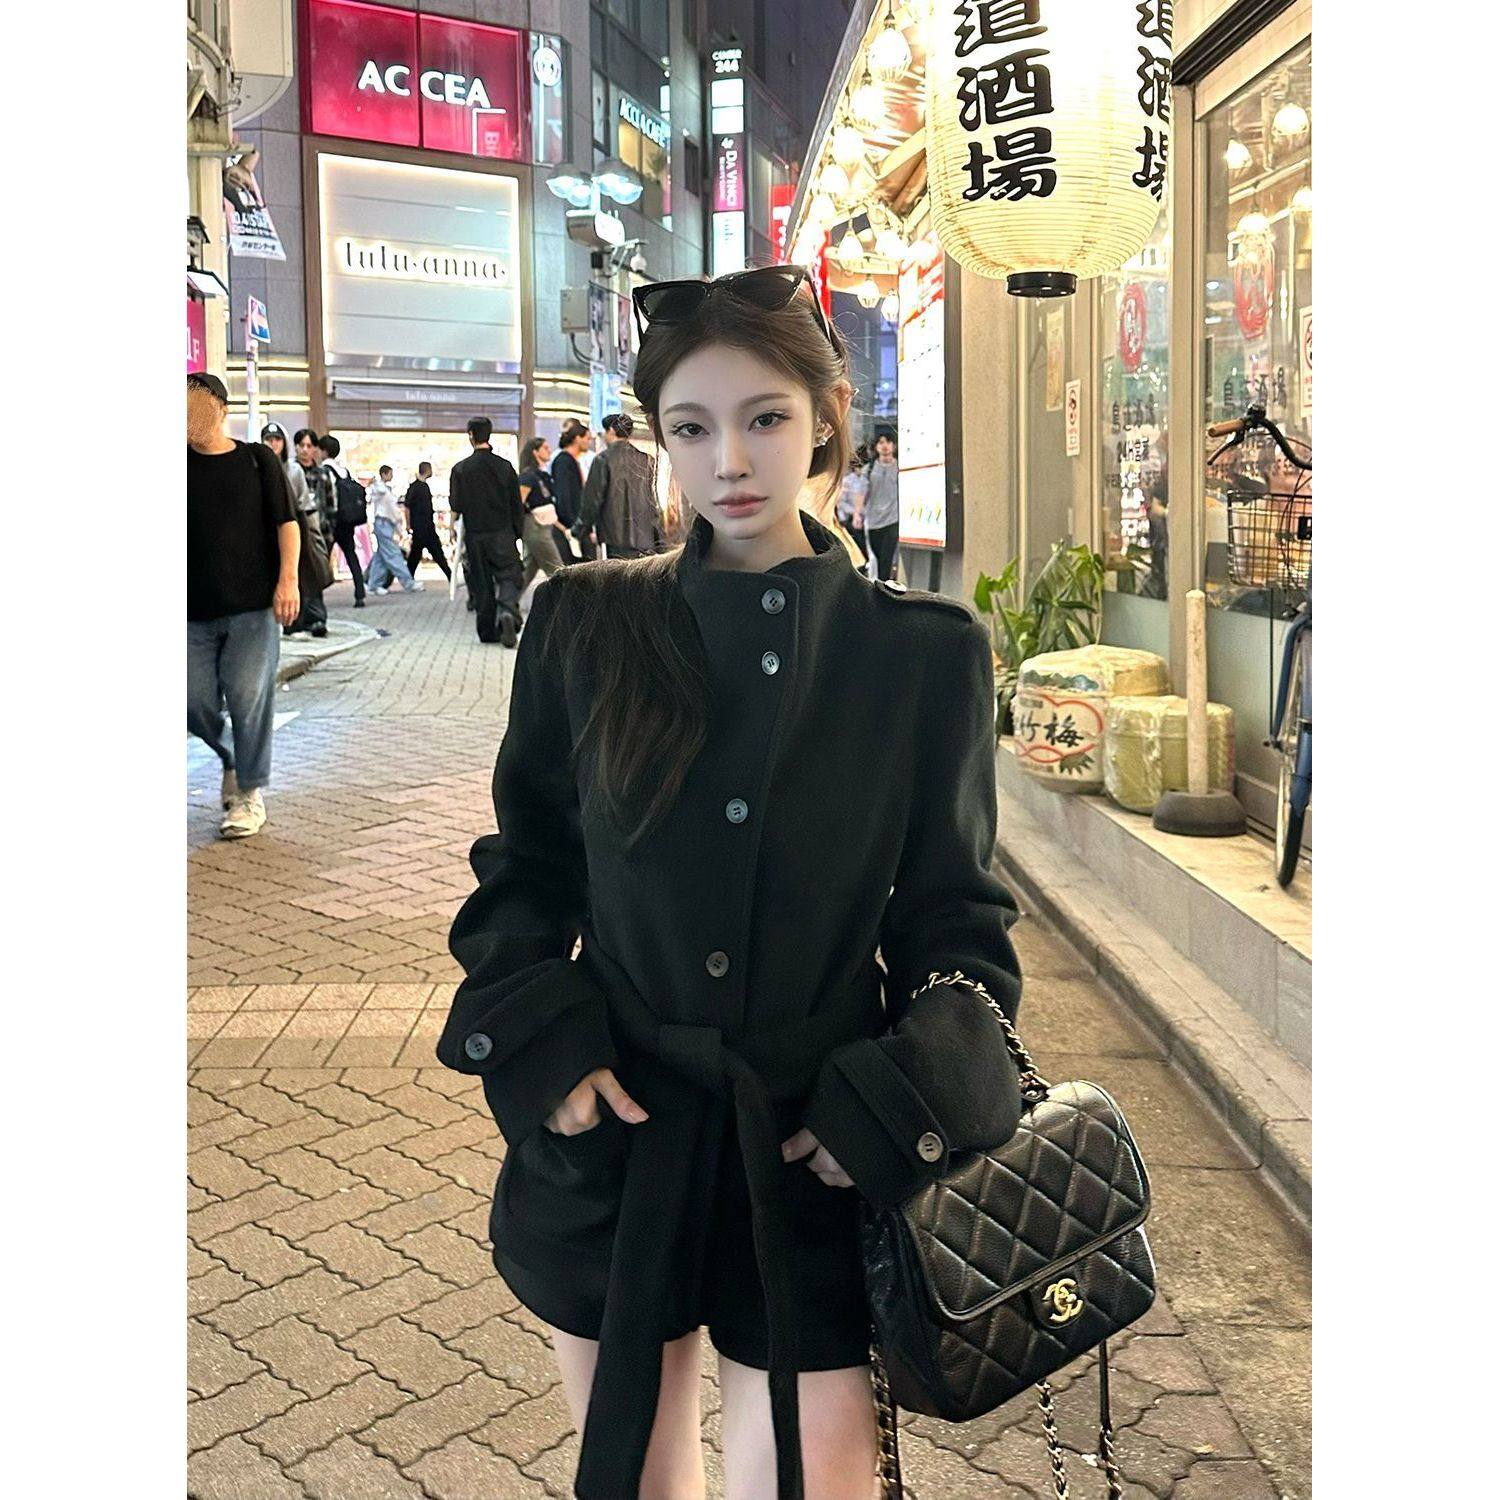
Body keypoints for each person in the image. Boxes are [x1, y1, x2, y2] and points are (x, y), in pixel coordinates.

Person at [437, 264, 1026, 1500]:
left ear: (825, 417)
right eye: (692, 429)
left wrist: (901, 1101)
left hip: (816, 1145)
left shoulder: (919, 654)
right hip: (620, 1136)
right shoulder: (585, 625)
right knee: (642, 1478)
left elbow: (956, 920)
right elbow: (527, 869)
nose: (732, 462)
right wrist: (546, 1052)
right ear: (660, 441)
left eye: (765, 418)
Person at [188, 372, 301, 839]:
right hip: (190, 610)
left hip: (254, 605)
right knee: (190, 700)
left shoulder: (256, 460)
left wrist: (288, 581)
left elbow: (286, 522)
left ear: (220, 409)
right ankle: (235, 759)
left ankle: (249, 794)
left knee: (247, 697)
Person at [449, 416, 526, 646]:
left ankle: (487, 631)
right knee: (510, 575)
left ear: (471, 435)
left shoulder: (460, 469)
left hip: (476, 535)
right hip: (502, 532)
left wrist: (453, 531)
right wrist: (517, 533)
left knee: (482, 582)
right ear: (489, 434)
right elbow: (516, 504)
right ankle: (507, 612)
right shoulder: (505, 467)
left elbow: (456, 505)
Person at [263, 423, 329, 638]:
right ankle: (286, 622)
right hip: (267, 533)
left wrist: (316, 536)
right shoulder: (257, 467)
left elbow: (307, 505)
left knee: (304, 575)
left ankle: (309, 619)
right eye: (269, 439)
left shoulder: (293, 470)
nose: (273, 444)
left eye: (277, 439)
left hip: (297, 529)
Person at [575, 412, 663, 559]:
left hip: (616, 539)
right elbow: (652, 502)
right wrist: (659, 536)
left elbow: (592, 500)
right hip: (646, 538)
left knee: (618, 573)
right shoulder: (647, 460)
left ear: (611, 430)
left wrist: (579, 530)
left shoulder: (603, 460)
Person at [316, 433, 368, 607]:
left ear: (324, 451)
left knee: (321, 559)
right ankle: (360, 594)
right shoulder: (344, 471)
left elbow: (322, 499)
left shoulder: (324, 470)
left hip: (331, 523)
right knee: (351, 556)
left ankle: (316, 597)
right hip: (346, 522)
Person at [517, 436, 567, 592]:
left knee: (528, 570)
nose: (549, 450)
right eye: (545, 448)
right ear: (535, 452)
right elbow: (519, 503)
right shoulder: (528, 476)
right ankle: (564, 601)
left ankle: (507, 601)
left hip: (544, 526)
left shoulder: (543, 476)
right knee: (557, 570)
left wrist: (563, 529)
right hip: (535, 527)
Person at [364, 464, 422, 595]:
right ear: (384, 474)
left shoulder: (382, 489)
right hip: (384, 523)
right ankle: (408, 582)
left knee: (381, 557)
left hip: (384, 524)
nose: (392, 476)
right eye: (390, 473)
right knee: (393, 554)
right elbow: (391, 509)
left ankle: (373, 584)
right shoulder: (381, 490)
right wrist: (399, 527)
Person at [855, 430, 901, 582]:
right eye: (881, 442)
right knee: (878, 556)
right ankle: (881, 585)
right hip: (874, 520)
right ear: (876, 447)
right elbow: (861, 492)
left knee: (887, 558)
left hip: (893, 519)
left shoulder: (900, 467)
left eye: (888, 442)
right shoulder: (869, 469)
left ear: (894, 446)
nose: (885, 446)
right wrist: (857, 514)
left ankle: (884, 588)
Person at [550, 420, 594, 563]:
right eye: (587, 438)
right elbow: (564, 496)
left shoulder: (571, 461)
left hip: (576, 526)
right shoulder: (563, 461)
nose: (589, 442)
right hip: (570, 528)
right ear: (577, 438)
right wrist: (573, 526)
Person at [403, 461, 450, 581]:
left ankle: (408, 578)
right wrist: (408, 524)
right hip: (423, 526)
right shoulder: (418, 487)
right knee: (434, 551)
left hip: (422, 526)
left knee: (416, 554)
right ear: (427, 470)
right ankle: (450, 575)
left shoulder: (417, 487)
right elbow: (407, 507)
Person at [834, 447, 870, 564]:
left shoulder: (867, 480)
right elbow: (841, 503)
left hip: (866, 517)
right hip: (849, 518)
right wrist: (855, 512)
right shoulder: (847, 481)